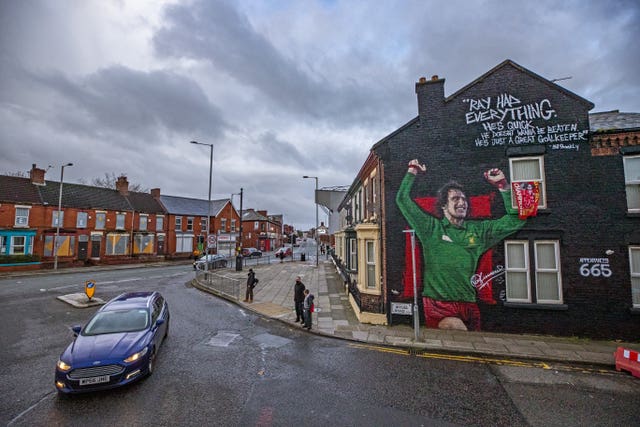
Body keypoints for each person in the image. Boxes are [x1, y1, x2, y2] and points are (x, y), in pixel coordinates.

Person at [395, 158, 527, 331]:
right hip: (439, 305)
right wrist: (413, 170)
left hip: (470, 304)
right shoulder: (430, 228)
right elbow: (402, 200)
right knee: (458, 330)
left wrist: (503, 186)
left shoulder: (479, 231)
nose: (462, 202)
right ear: (443, 205)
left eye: (464, 199)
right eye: (455, 199)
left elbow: (515, 221)